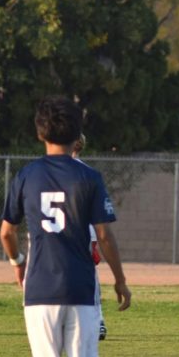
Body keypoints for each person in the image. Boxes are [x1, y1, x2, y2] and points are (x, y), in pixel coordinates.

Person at [0, 96, 131, 357]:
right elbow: (104, 236)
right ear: (77, 134)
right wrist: (120, 280)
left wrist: (17, 264)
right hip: (79, 287)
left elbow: (7, 231)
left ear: (40, 133)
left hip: (39, 287)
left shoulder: (26, 175)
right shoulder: (89, 177)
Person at [71, 136, 106, 339]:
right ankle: (96, 320)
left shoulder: (53, 170)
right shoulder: (87, 173)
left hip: (69, 233)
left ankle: (94, 320)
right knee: (89, 275)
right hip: (84, 232)